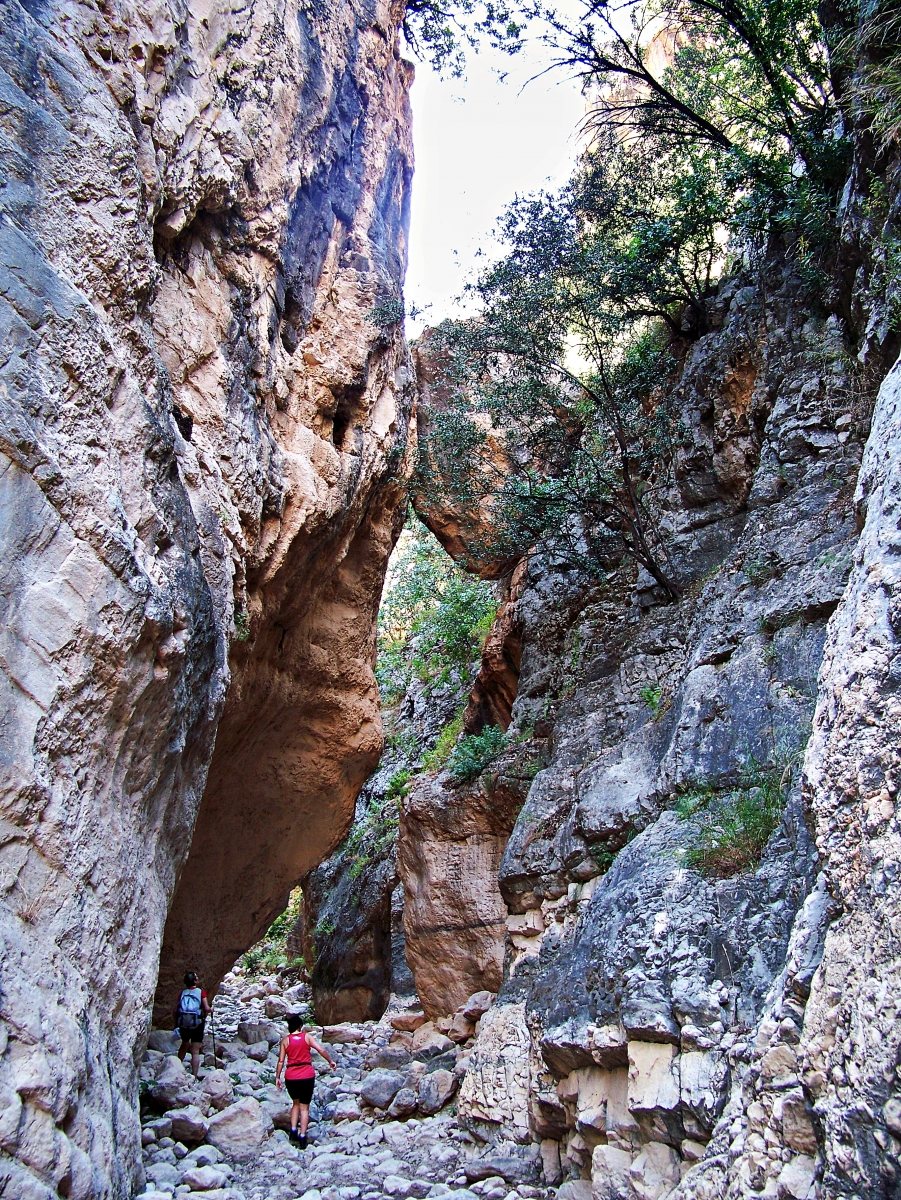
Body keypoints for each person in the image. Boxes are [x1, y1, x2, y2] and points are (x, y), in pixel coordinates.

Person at [275, 1014, 336, 1147]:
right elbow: (320, 1049)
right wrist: (330, 1061)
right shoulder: (307, 1037)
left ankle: (292, 1131)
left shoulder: (285, 1041)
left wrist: (277, 1077)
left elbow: (280, 1061)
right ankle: (302, 1137)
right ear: (300, 1026)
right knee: (304, 1107)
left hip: (291, 1076)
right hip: (307, 1075)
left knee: (295, 1103)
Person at [173, 971, 211, 1078]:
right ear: (195, 981)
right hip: (197, 1024)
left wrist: (176, 1024)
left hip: (184, 1024)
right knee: (195, 1051)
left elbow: (176, 1010)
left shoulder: (183, 993)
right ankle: (194, 1075)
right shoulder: (200, 992)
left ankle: (176, 1068)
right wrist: (211, 1009)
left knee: (184, 1044)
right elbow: (206, 1008)